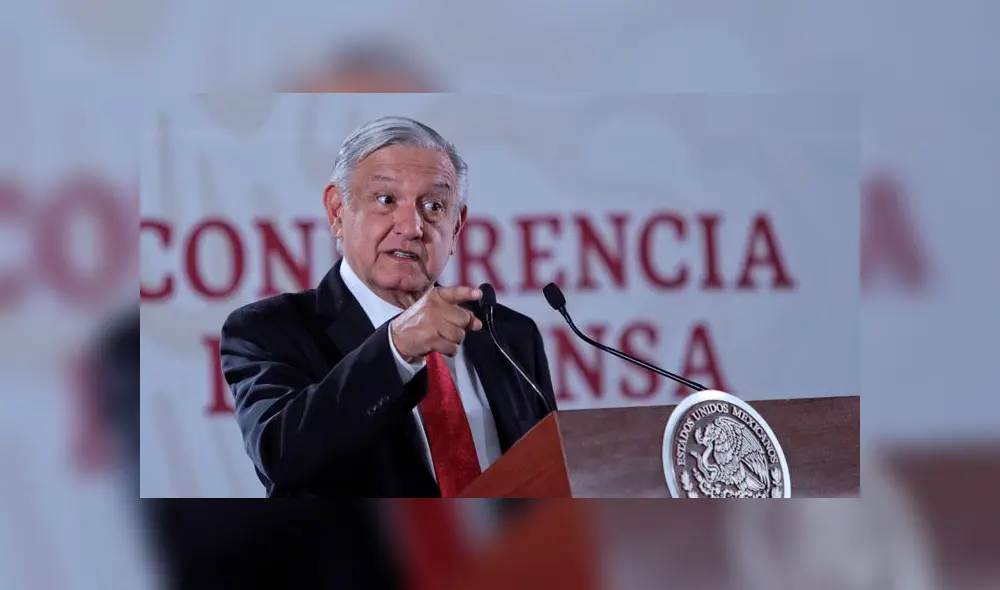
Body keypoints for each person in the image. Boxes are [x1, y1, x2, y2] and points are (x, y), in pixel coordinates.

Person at [220, 116, 557, 498]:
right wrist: (396, 349)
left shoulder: (508, 334)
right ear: (336, 212)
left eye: (433, 205)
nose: (412, 226)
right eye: (386, 200)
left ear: (456, 228)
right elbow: (282, 458)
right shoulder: (270, 330)